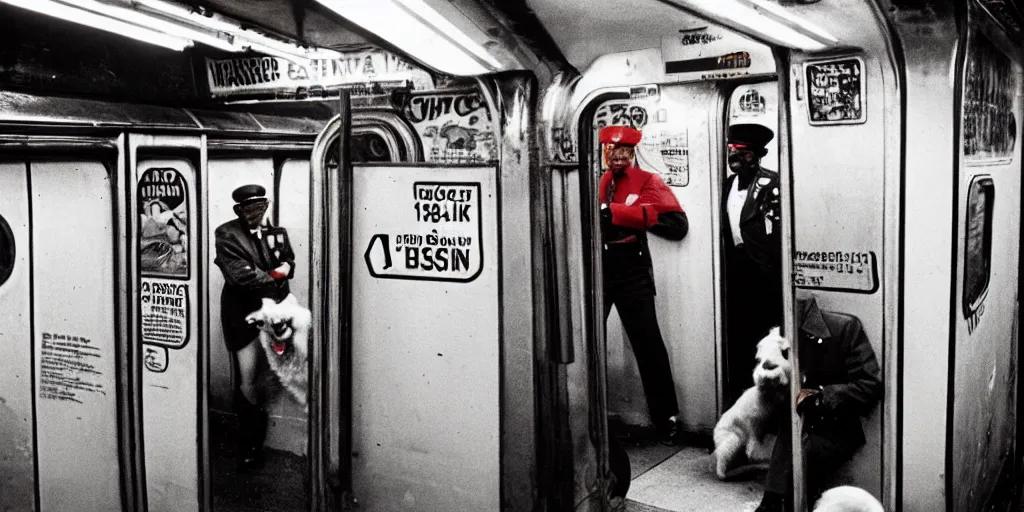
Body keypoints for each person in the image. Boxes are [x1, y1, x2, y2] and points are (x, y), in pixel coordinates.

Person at [598, 125, 689, 444]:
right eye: (611, 150)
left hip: (632, 271)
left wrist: (620, 214)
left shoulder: (648, 182)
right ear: (604, 151)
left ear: (633, 153)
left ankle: (667, 418)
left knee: (648, 345)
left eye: (624, 151)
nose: (617, 157)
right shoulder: (598, 181)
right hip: (597, 271)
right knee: (585, 346)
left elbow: (678, 225)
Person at [755, 291, 883, 512]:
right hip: (802, 419)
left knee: (802, 451)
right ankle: (773, 502)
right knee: (789, 438)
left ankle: (781, 502)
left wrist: (821, 396)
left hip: (837, 425)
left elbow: (870, 385)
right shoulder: (788, 338)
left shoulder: (845, 329)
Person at [214, 184, 295, 470]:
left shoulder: (277, 232)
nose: (255, 214)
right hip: (243, 314)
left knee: (267, 373)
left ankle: (258, 440)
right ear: (239, 210)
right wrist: (278, 273)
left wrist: (281, 270)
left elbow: (290, 261)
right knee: (247, 377)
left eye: (259, 208)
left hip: (273, 309)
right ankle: (249, 443)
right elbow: (242, 278)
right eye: (249, 210)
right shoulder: (227, 234)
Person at [723, 123, 784, 408]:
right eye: (732, 150)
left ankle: (766, 403)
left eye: (743, 152)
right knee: (736, 337)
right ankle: (740, 401)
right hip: (733, 269)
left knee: (763, 337)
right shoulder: (724, 186)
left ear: (758, 155)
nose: (736, 157)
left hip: (761, 272)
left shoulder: (772, 184)